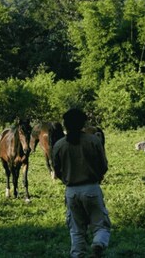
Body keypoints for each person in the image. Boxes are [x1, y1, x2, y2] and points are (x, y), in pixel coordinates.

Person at [51, 108, 110, 258]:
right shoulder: (93, 141)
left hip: (71, 191)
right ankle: (98, 243)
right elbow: (103, 165)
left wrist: (65, 178)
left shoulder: (59, 145)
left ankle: (77, 254)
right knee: (101, 225)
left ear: (65, 125)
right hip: (91, 187)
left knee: (76, 230)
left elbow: (56, 170)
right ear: (83, 123)